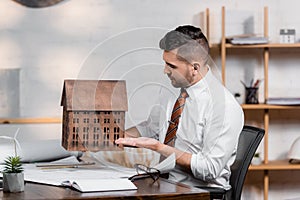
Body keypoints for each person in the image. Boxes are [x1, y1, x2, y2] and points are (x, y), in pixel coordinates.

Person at [115, 25, 244, 190]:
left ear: (195, 68)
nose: (165, 71)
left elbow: (210, 169)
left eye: (172, 66)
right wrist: (114, 136)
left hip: (199, 193)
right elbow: (150, 129)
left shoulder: (223, 106)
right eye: (165, 63)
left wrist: (159, 148)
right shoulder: (172, 92)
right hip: (164, 184)